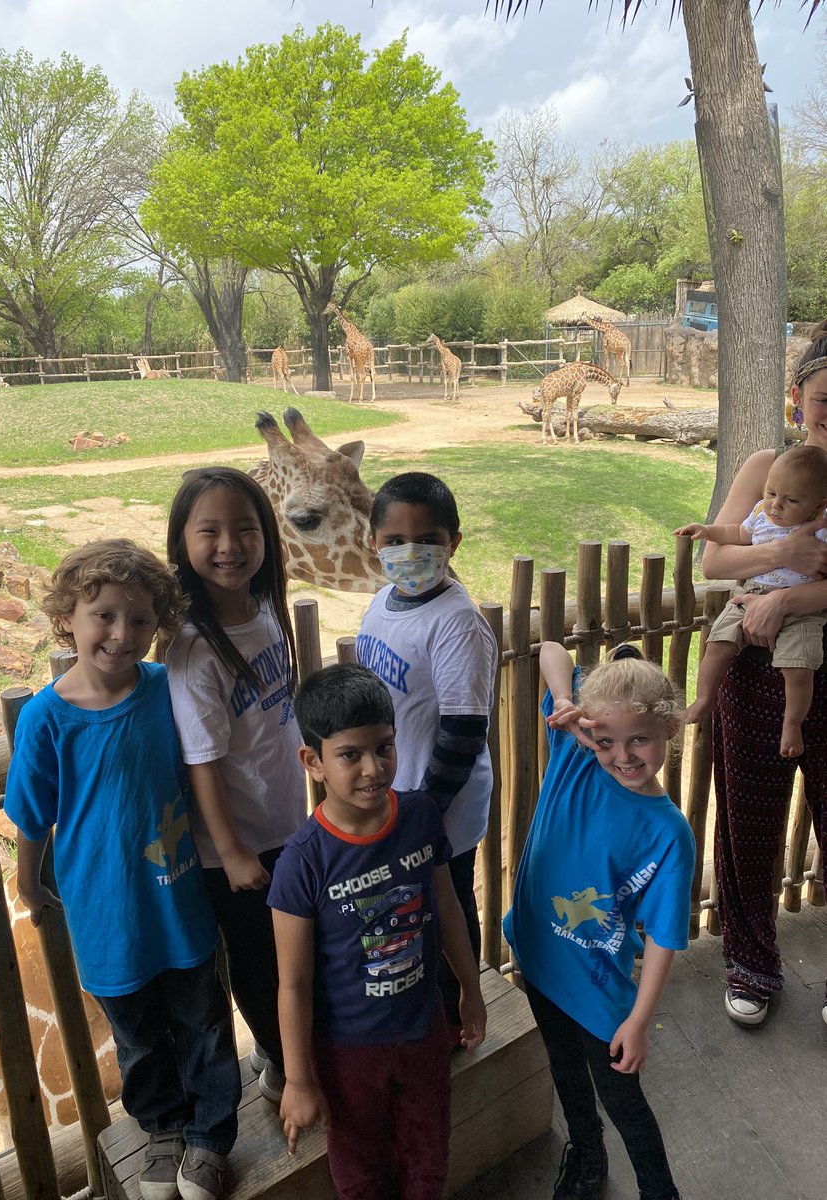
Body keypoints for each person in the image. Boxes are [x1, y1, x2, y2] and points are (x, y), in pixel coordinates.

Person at [4, 539, 240, 1200]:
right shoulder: (47, 720)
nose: (121, 633)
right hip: (106, 913)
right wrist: (28, 883)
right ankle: (162, 1130)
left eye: (140, 619)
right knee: (137, 1036)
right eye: (103, 615)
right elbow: (32, 816)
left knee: (203, 1022)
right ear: (67, 618)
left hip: (178, 898)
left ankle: (211, 1137)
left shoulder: (166, 689)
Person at [268, 664, 487, 1200]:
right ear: (313, 762)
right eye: (350, 755)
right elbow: (293, 984)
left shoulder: (418, 816)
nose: (373, 767)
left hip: (422, 1031)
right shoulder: (303, 862)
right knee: (361, 1169)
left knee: (428, 1155)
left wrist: (471, 990)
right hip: (347, 1054)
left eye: (384, 748)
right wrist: (298, 1079)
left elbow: (448, 908)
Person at [504, 642, 694, 1200]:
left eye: (640, 738)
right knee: (564, 1070)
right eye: (607, 739)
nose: (623, 755)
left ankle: (661, 1192)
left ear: (669, 731)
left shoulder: (668, 834)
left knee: (625, 1102)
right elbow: (551, 650)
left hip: (598, 990)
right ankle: (586, 1155)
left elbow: (663, 936)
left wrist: (637, 1021)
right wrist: (565, 701)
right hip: (538, 958)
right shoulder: (572, 751)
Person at [164, 467, 307, 1102]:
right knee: (258, 962)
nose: (230, 545)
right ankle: (283, 1066)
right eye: (210, 531)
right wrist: (231, 854)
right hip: (238, 848)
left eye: (246, 529)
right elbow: (201, 762)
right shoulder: (195, 651)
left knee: (293, 954)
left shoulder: (265, 608)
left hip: (280, 821)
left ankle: (286, 1056)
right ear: (183, 544)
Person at [700, 321, 827, 1027]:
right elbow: (715, 562)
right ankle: (752, 964)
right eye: (823, 397)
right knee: (748, 819)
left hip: (812, 654)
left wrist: (789, 596)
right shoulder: (763, 467)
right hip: (754, 669)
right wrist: (789, 559)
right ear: (797, 396)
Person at [355, 471, 497, 1040]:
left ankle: (454, 1014)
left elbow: (463, 734)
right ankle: (420, 1009)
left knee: (448, 911)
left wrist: (421, 812)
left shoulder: (456, 623)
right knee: (407, 914)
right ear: (373, 542)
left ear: (453, 544)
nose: (408, 552)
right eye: (393, 541)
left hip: (439, 809)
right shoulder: (383, 603)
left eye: (425, 540)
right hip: (395, 802)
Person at [675, 443, 827, 757]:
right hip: (753, 597)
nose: (776, 505)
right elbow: (735, 535)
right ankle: (704, 699)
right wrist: (708, 530)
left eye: (790, 500)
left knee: (798, 669)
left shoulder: (821, 528)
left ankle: (792, 723)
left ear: (818, 506)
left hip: (805, 614)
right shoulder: (761, 514)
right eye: (771, 494)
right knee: (717, 644)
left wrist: (786, 601)